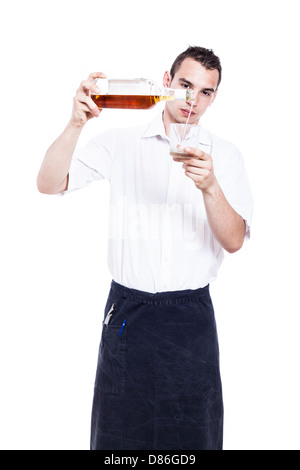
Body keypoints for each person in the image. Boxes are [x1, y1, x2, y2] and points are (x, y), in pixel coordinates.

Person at [37, 46, 253, 450]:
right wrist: (74, 123)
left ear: (213, 98)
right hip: (128, 316)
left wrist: (210, 187)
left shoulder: (224, 155)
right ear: (167, 82)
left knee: (193, 442)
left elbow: (235, 241)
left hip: (192, 320)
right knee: (119, 443)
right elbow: (49, 183)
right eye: (186, 85)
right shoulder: (122, 142)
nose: (192, 99)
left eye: (205, 92)